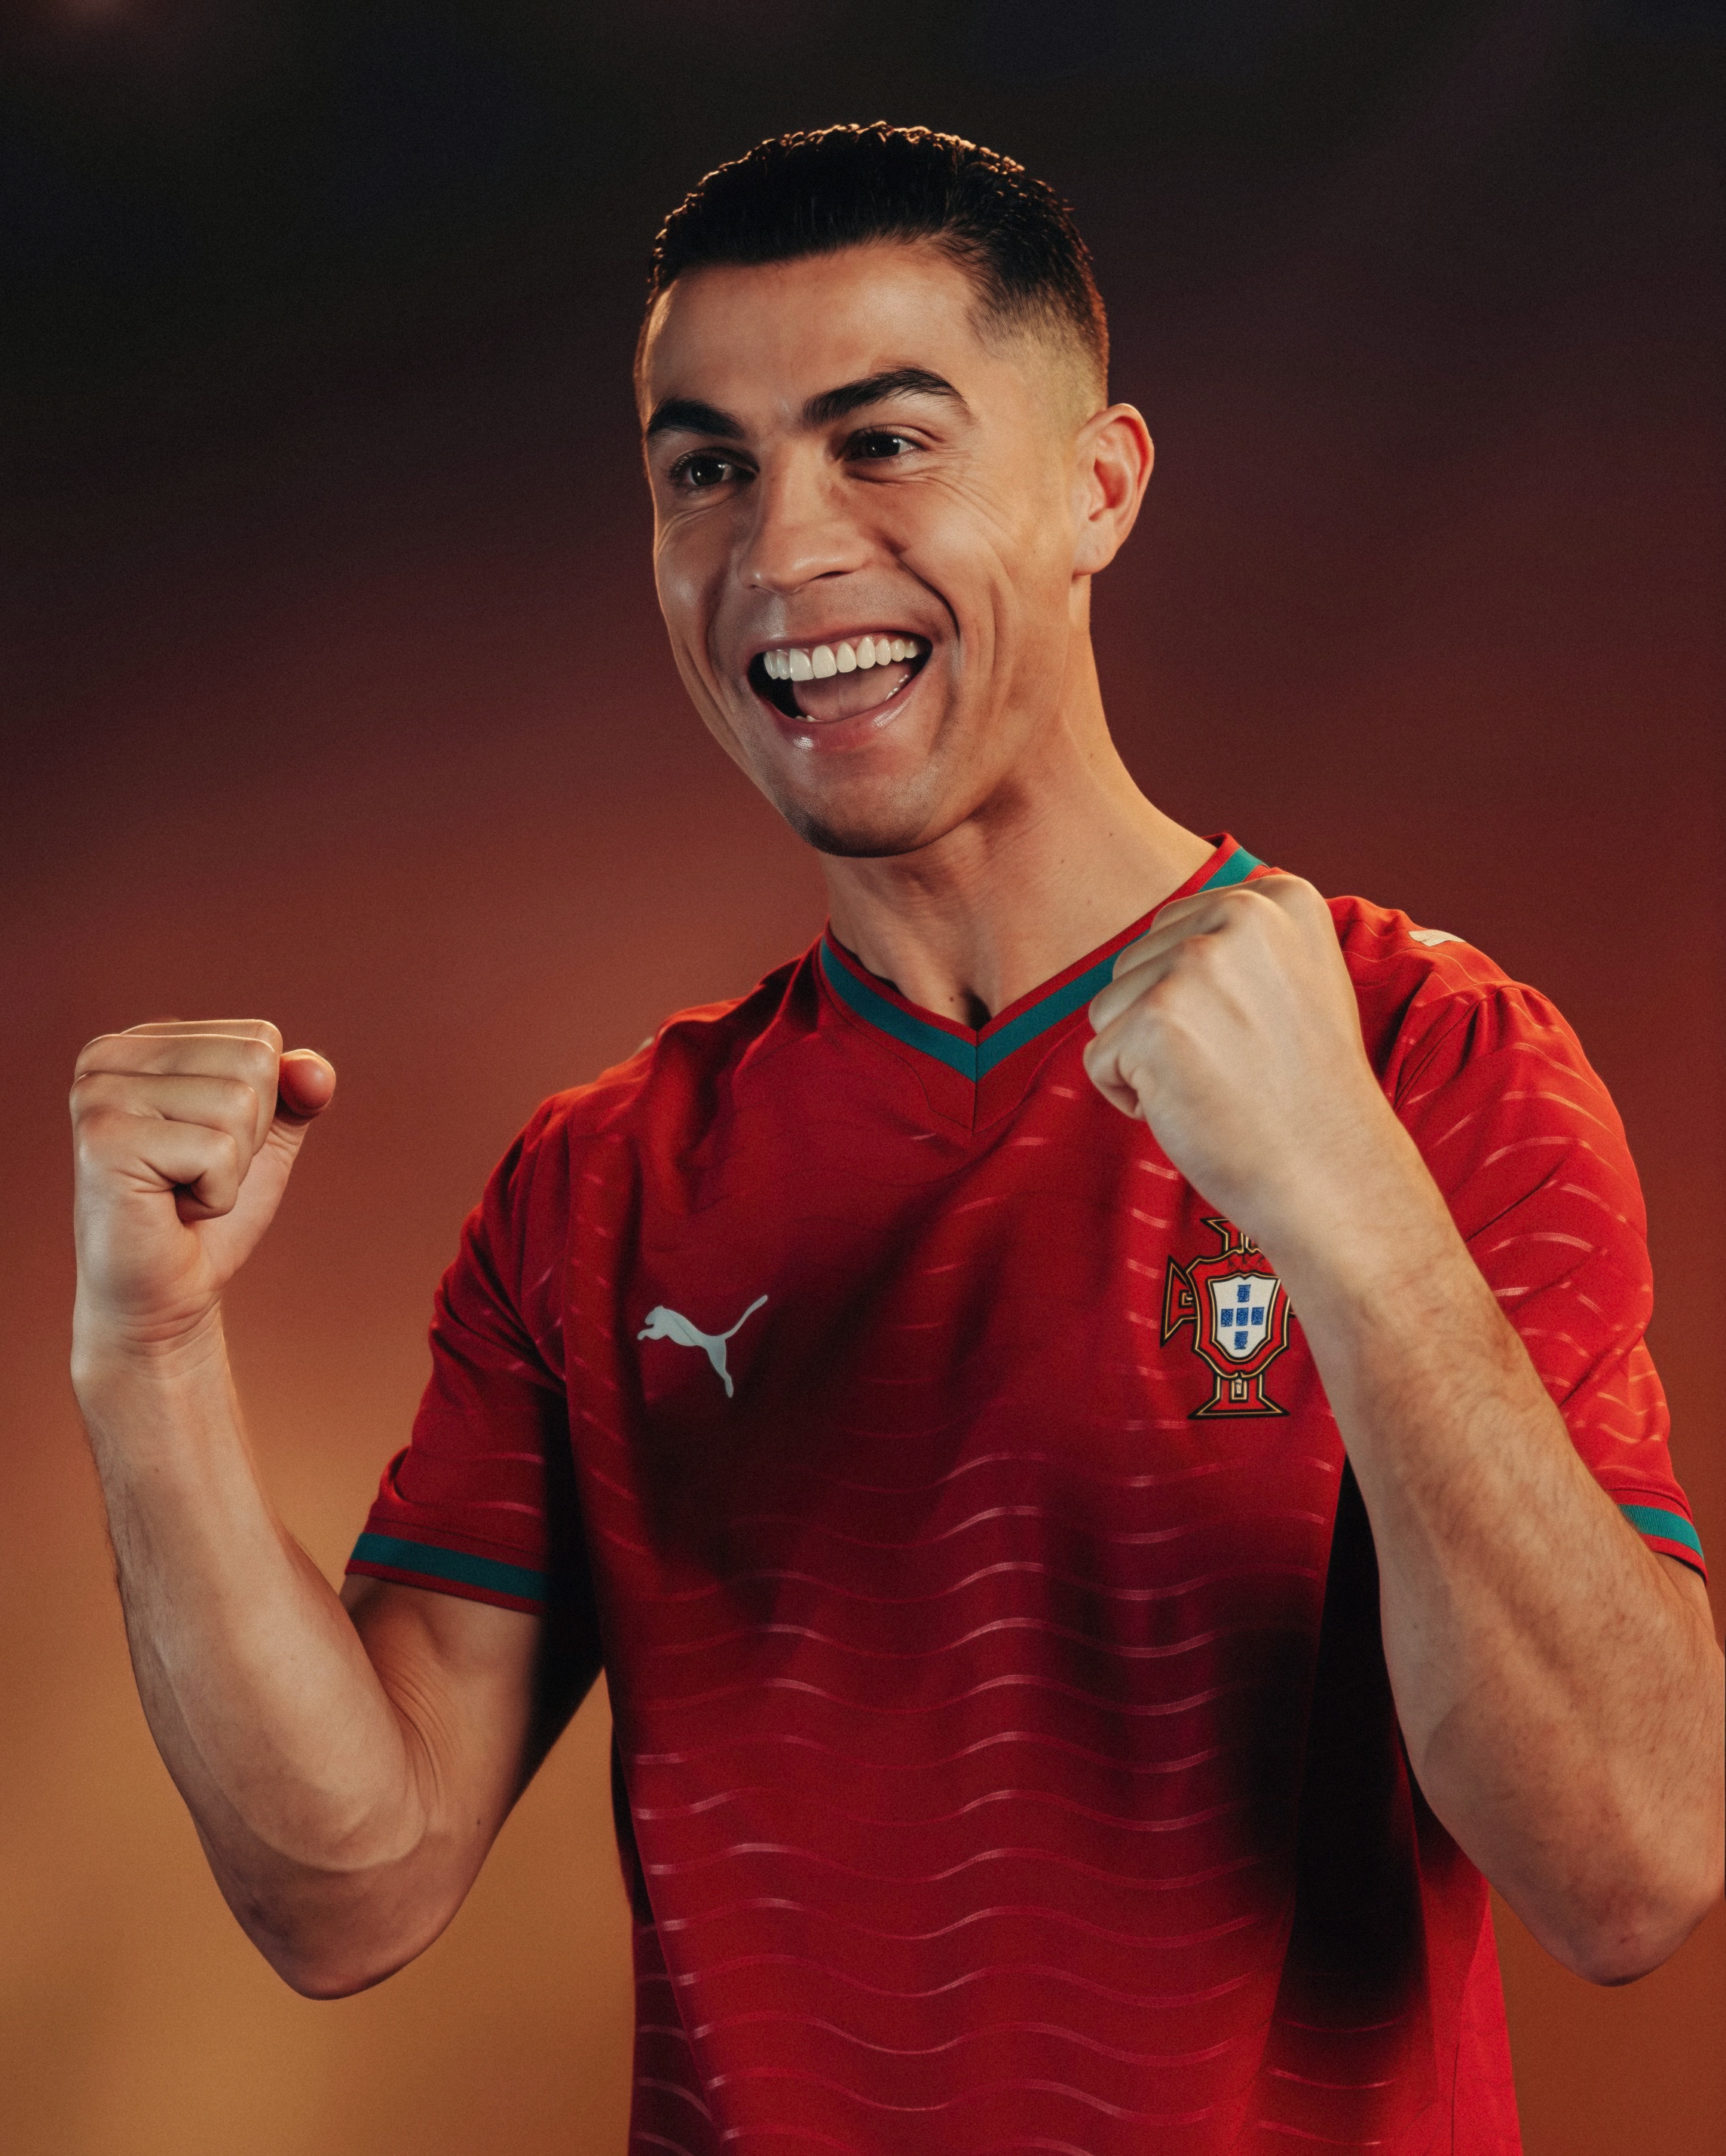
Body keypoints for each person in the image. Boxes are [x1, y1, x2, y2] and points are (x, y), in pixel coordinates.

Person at [69, 126, 1720, 2155]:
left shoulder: (1430, 1059)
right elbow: (349, 1891)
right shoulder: (601, 1183)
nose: (782, 551)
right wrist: (146, 1359)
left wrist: (1344, 1204)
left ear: (1097, 487)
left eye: (881, 444)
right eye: (706, 471)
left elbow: (1627, 1871)